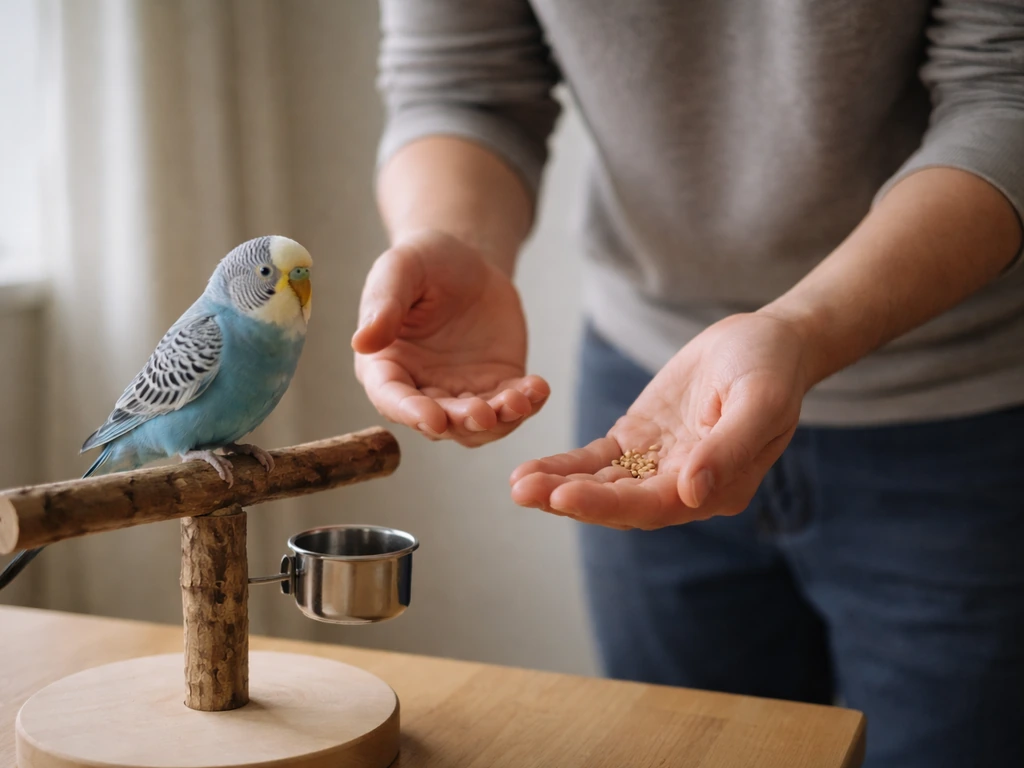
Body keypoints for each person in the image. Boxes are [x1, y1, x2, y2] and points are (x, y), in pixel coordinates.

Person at [353, 3, 1024, 766]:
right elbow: (462, 84)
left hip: (962, 409)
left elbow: (1007, 95)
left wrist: (802, 331)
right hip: (652, 389)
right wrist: (453, 243)